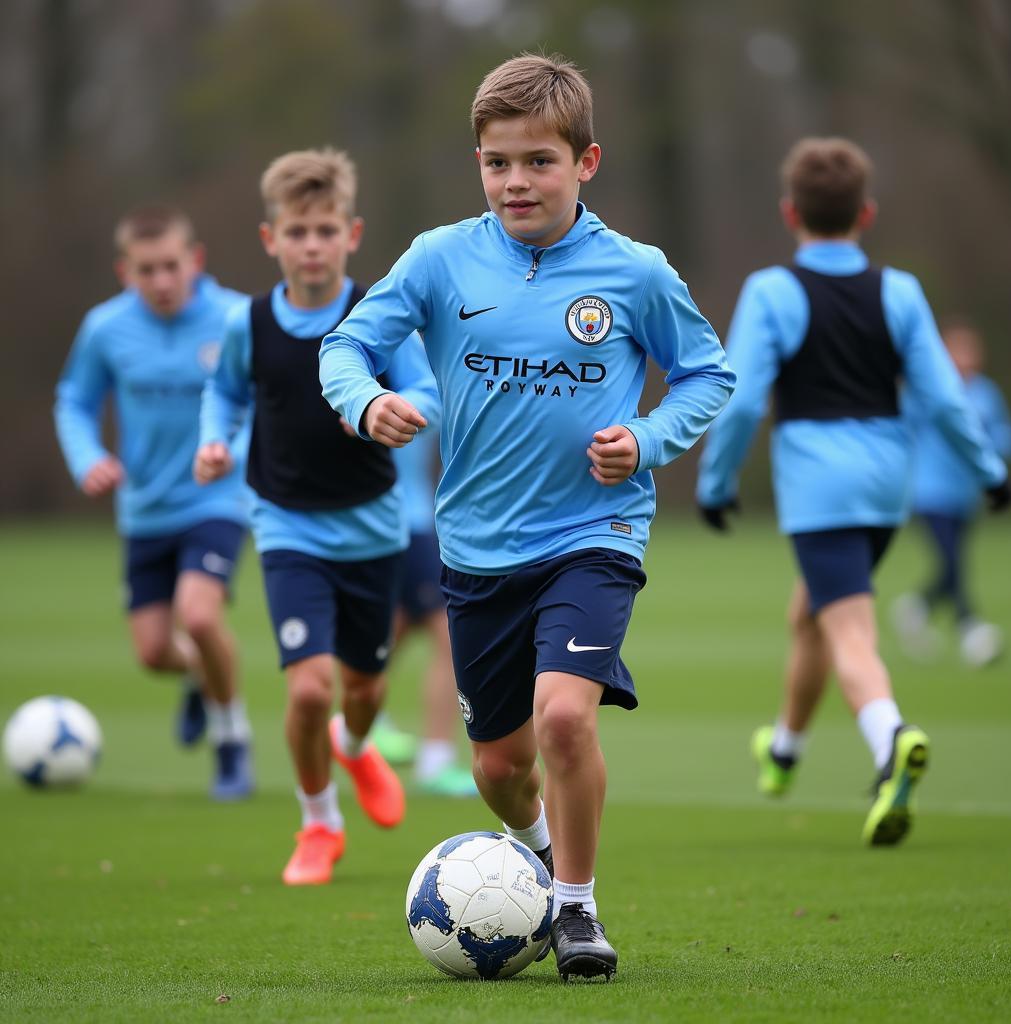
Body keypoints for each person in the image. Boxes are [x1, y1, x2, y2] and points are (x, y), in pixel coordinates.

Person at [320, 54, 734, 980]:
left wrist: (652, 438)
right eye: (498, 163)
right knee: (499, 767)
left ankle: (578, 911)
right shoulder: (439, 259)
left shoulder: (635, 273)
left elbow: (709, 374)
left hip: (595, 535)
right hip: (475, 548)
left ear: (586, 163)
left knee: (563, 721)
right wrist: (364, 402)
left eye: (539, 161)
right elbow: (348, 344)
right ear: (478, 162)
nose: (517, 181)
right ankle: (542, 859)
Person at [695, 138, 1011, 847]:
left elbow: (741, 403)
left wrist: (716, 483)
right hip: (885, 482)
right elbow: (944, 400)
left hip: (818, 484)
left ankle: (888, 738)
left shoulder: (772, 292)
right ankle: (784, 749)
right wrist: (990, 472)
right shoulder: (899, 291)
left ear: (789, 213)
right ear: (865, 213)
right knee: (810, 612)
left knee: (848, 629)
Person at [195, 148, 440, 887]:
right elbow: (227, 395)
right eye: (297, 232)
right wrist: (215, 441)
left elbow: (427, 391)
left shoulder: (380, 320)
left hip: (372, 527)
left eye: (325, 230)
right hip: (286, 525)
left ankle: (357, 746)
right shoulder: (252, 324)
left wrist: (401, 410)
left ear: (352, 234)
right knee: (307, 686)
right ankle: (318, 822)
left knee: (363, 690)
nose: (311, 246)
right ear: (272, 240)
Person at [54, 206, 253, 800]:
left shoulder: (236, 319)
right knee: (153, 651)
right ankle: (200, 674)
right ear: (126, 272)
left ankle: (231, 741)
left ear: (195, 260)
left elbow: (266, 403)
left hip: (217, 499)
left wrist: (232, 451)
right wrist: (88, 457)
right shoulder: (104, 329)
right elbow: (74, 401)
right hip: (143, 509)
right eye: (148, 270)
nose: (162, 281)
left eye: (171, 266)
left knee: (199, 614)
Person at [891, 317, 1011, 666]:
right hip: (929, 491)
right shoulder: (928, 390)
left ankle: (916, 608)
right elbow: (901, 428)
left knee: (953, 565)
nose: (966, 357)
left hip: (967, 494)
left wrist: (992, 456)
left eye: (971, 349)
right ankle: (971, 628)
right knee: (951, 563)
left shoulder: (986, 394)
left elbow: (1004, 437)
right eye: (958, 349)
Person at [370, 425, 479, 797]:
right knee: (449, 636)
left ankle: (362, 719)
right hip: (404, 519)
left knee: (404, 621)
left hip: (405, 516)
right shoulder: (399, 371)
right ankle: (434, 760)